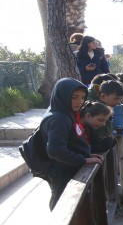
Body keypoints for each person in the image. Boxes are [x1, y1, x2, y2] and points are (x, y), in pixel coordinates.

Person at [41, 78, 104, 210]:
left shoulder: (66, 113)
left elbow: (70, 142)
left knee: (67, 200)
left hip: (67, 166)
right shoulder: (59, 119)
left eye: (82, 97)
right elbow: (55, 150)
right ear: (62, 95)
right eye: (74, 97)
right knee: (62, 201)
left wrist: (86, 154)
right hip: (61, 169)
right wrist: (82, 159)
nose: (79, 102)